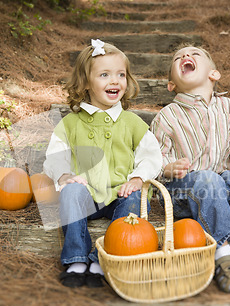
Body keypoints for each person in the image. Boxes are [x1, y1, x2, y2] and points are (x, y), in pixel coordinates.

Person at [150, 45, 230, 293]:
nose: (185, 57)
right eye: (178, 57)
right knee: (207, 179)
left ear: (214, 74)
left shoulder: (228, 107)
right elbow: (154, 160)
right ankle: (225, 258)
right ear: (171, 85)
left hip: (225, 187)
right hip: (186, 193)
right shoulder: (167, 116)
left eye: (194, 54)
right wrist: (168, 168)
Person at [43, 39, 163, 288]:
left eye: (121, 74)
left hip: (121, 191)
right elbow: (56, 154)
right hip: (86, 192)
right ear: (86, 83)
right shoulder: (71, 123)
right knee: (71, 192)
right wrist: (64, 176)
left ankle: (100, 260)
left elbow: (151, 156)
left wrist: (138, 178)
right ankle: (76, 260)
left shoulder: (132, 122)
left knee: (135, 201)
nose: (115, 81)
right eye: (105, 74)